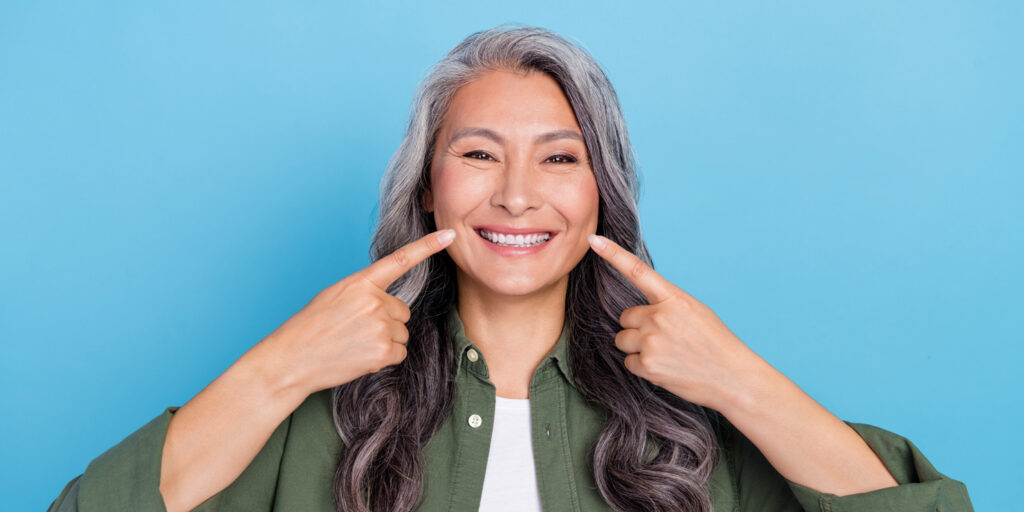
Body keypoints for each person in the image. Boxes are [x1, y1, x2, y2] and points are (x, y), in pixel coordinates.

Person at [48, 23, 973, 512]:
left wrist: (741, 381)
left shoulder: (689, 429)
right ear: (427, 190)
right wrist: (282, 363)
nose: (518, 196)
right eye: (479, 154)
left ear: (602, 193)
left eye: (561, 158)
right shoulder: (323, 414)